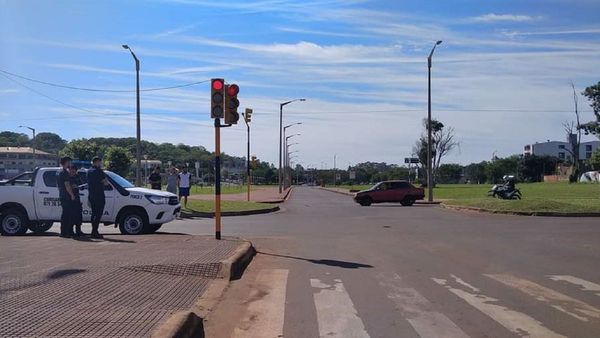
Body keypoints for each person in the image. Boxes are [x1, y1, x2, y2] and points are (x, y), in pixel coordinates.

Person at [87, 157, 109, 239]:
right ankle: (94, 231)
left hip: (91, 195)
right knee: (98, 214)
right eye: (100, 162)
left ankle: (93, 231)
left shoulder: (89, 171)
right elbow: (106, 183)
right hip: (99, 195)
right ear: (97, 162)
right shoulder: (99, 171)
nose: (101, 164)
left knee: (93, 214)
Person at [57, 156, 76, 238]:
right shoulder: (64, 172)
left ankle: (63, 232)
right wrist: (72, 195)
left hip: (62, 195)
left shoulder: (59, 172)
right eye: (69, 162)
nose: (70, 164)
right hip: (66, 196)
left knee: (65, 214)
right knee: (66, 215)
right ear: (66, 162)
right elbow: (67, 185)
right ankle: (64, 232)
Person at [69, 165, 85, 237]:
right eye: (72, 171)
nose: (73, 172)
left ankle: (78, 230)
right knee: (71, 215)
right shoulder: (67, 177)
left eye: (74, 171)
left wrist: (78, 186)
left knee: (78, 215)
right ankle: (70, 231)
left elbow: (82, 186)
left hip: (77, 198)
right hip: (69, 198)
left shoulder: (77, 176)